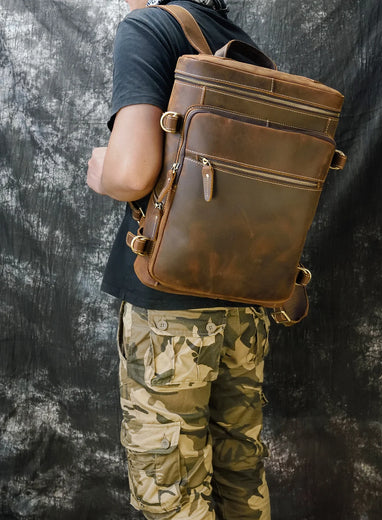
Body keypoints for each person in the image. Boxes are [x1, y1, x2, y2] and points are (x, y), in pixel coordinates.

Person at [87, 1, 271, 518]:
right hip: (247, 302)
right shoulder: (241, 44)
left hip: (170, 308)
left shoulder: (149, 27)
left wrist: (102, 170)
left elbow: (131, 173)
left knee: (171, 494)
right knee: (242, 475)